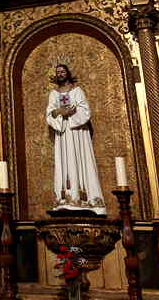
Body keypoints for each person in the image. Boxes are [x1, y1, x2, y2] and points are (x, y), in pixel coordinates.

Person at [45, 64, 106, 215]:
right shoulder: (53, 94)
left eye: (62, 71)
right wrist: (60, 112)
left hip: (78, 133)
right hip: (63, 133)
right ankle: (67, 199)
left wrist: (71, 114)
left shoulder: (77, 91)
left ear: (68, 73)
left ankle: (86, 199)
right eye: (58, 72)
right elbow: (49, 114)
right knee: (65, 162)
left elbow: (85, 111)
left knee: (80, 160)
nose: (60, 74)